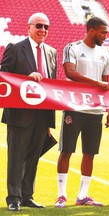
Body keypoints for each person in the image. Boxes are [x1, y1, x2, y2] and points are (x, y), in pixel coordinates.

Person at [55, 16, 109, 208]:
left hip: (95, 112)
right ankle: (61, 195)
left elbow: (107, 85)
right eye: (103, 32)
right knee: (66, 151)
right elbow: (70, 73)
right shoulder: (72, 48)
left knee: (89, 153)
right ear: (92, 31)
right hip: (75, 107)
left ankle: (83, 195)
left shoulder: (105, 54)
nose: (106, 36)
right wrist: (96, 83)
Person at [0, 12, 57, 211]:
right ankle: (13, 198)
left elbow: (51, 87)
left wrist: (50, 122)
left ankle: (27, 196)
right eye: (39, 26)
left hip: (42, 116)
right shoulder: (15, 48)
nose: (43, 30)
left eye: (46, 27)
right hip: (19, 115)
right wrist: (26, 77)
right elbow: (3, 76)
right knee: (16, 157)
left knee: (34, 157)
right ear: (29, 27)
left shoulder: (52, 52)